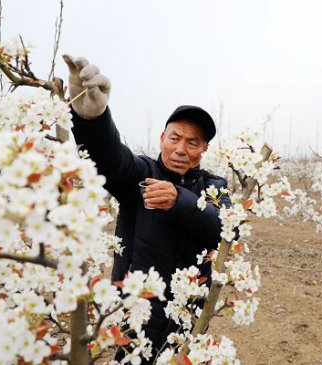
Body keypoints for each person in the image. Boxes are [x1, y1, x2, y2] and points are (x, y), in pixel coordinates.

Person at [63, 55, 231, 363]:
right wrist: (93, 120)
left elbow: (223, 228)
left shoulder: (214, 187)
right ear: (162, 138)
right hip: (140, 310)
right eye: (175, 138)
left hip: (189, 311)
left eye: (193, 142)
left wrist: (179, 200)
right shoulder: (142, 175)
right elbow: (112, 160)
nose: (181, 149)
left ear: (204, 149)